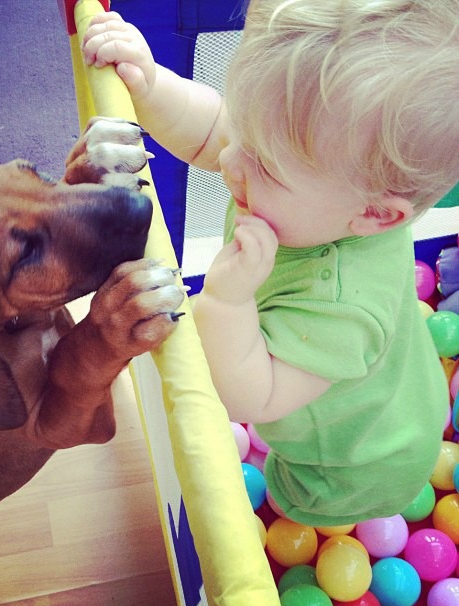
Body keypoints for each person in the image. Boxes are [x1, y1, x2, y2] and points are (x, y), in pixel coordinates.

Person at [82, 0, 458, 526]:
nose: (231, 159)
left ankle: (306, 509)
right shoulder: (325, 186)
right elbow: (216, 128)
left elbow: (254, 396)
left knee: (287, 503)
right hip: (394, 395)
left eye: (265, 165)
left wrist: (228, 303)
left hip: (355, 460)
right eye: (246, 131)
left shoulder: (341, 305)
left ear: (374, 214)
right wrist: (151, 85)